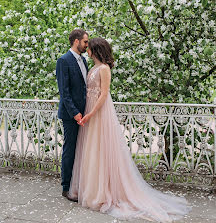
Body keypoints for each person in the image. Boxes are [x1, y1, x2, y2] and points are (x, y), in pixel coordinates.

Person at [68, 37, 191, 222]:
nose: (87, 50)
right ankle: (91, 189)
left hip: (99, 113)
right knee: (92, 150)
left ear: (96, 49)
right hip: (88, 112)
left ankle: (103, 192)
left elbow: (104, 94)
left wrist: (91, 113)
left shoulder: (104, 69)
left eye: (90, 47)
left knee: (102, 149)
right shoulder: (92, 67)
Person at [56, 29, 88, 200]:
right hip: (70, 116)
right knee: (70, 149)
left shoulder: (83, 60)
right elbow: (64, 92)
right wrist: (75, 113)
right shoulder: (63, 60)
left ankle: (79, 183)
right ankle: (66, 187)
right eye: (85, 42)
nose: (87, 45)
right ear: (76, 41)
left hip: (84, 115)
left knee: (82, 149)